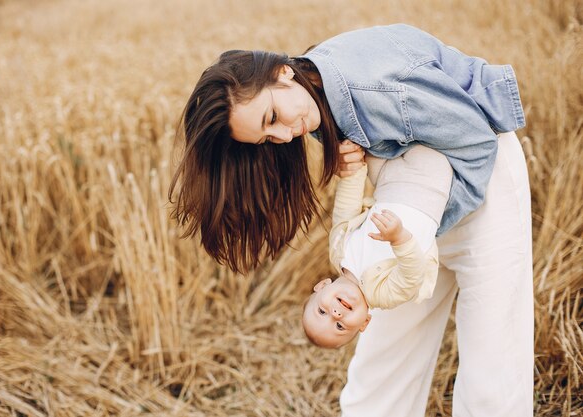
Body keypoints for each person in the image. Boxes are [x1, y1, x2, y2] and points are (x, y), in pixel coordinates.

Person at [169, 24, 533, 417]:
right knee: (381, 367)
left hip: (478, 187)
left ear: (281, 72)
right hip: (397, 220)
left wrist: (420, 229)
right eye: (267, 137)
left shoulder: (374, 88)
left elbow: (475, 141)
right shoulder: (312, 93)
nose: (285, 135)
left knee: (491, 367)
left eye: (272, 115)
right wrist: (368, 190)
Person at [302, 145, 452, 349]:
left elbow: (346, 209)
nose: (336, 314)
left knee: (360, 141)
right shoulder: (384, 295)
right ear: (365, 322)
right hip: (426, 188)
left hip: (387, 180)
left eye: (322, 311)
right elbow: (412, 274)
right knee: (427, 139)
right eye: (339, 326)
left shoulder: (338, 252)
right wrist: (399, 238)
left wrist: (353, 169)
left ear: (321, 286)